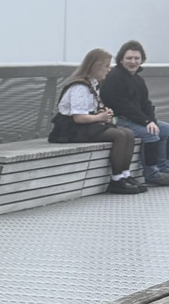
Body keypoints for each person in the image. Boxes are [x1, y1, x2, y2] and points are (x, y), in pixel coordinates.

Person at [48, 47, 145, 194]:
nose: (108, 70)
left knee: (128, 133)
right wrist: (100, 117)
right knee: (119, 135)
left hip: (81, 125)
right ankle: (116, 179)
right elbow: (78, 118)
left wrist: (101, 113)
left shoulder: (93, 83)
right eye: (106, 66)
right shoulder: (79, 87)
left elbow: (87, 111)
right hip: (69, 129)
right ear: (95, 66)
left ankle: (125, 175)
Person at [101, 41, 169, 186]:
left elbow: (146, 103)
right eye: (129, 58)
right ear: (121, 59)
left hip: (136, 119)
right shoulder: (114, 77)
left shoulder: (138, 79)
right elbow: (122, 106)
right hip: (117, 119)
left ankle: (166, 170)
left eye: (136, 58)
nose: (133, 62)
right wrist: (146, 122)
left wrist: (152, 121)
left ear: (142, 60)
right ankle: (152, 174)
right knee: (150, 133)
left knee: (167, 129)